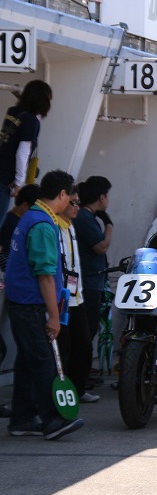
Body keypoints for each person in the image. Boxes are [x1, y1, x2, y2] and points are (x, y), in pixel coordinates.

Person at [5, 169, 85, 439]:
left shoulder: (32, 217)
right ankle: (52, 420)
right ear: (62, 194)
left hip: (21, 301)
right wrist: (53, 315)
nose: (71, 203)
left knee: (28, 361)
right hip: (31, 304)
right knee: (43, 362)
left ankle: (22, 419)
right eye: (70, 198)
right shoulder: (42, 224)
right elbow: (45, 275)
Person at [56, 187, 98, 404]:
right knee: (62, 348)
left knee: (83, 344)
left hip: (76, 296)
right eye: (73, 203)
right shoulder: (52, 225)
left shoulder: (70, 225)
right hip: (59, 298)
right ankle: (60, 396)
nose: (77, 207)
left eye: (78, 203)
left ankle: (78, 390)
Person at [73, 176, 113, 356]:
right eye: (107, 195)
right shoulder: (85, 217)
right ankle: (78, 368)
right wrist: (109, 225)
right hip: (87, 283)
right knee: (86, 330)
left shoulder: (87, 216)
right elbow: (101, 247)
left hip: (91, 282)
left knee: (89, 328)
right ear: (101, 197)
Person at [0, 80, 52, 216]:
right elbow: (22, 153)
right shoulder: (32, 121)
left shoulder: (12, 111)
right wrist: (19, 181)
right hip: (5, 178)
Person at [0, 183, 39, 270]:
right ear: (25, 206)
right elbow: (3, 255)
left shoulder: (13, 219)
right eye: (36, 210)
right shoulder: (12, 224)